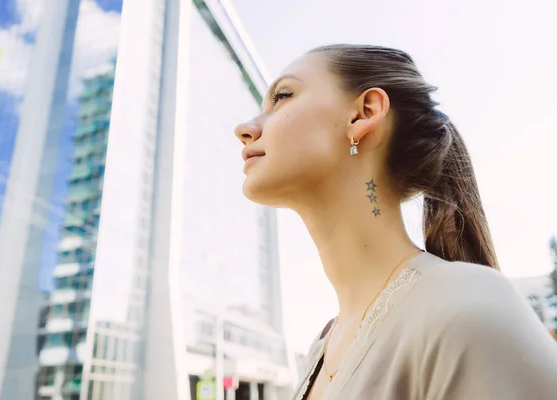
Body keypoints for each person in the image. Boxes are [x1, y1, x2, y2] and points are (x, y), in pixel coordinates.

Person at [234, 44, 557, 399]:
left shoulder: (469, 306)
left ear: (364, 114)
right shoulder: (323, 346)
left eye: (282, 96)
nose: (244, 128)